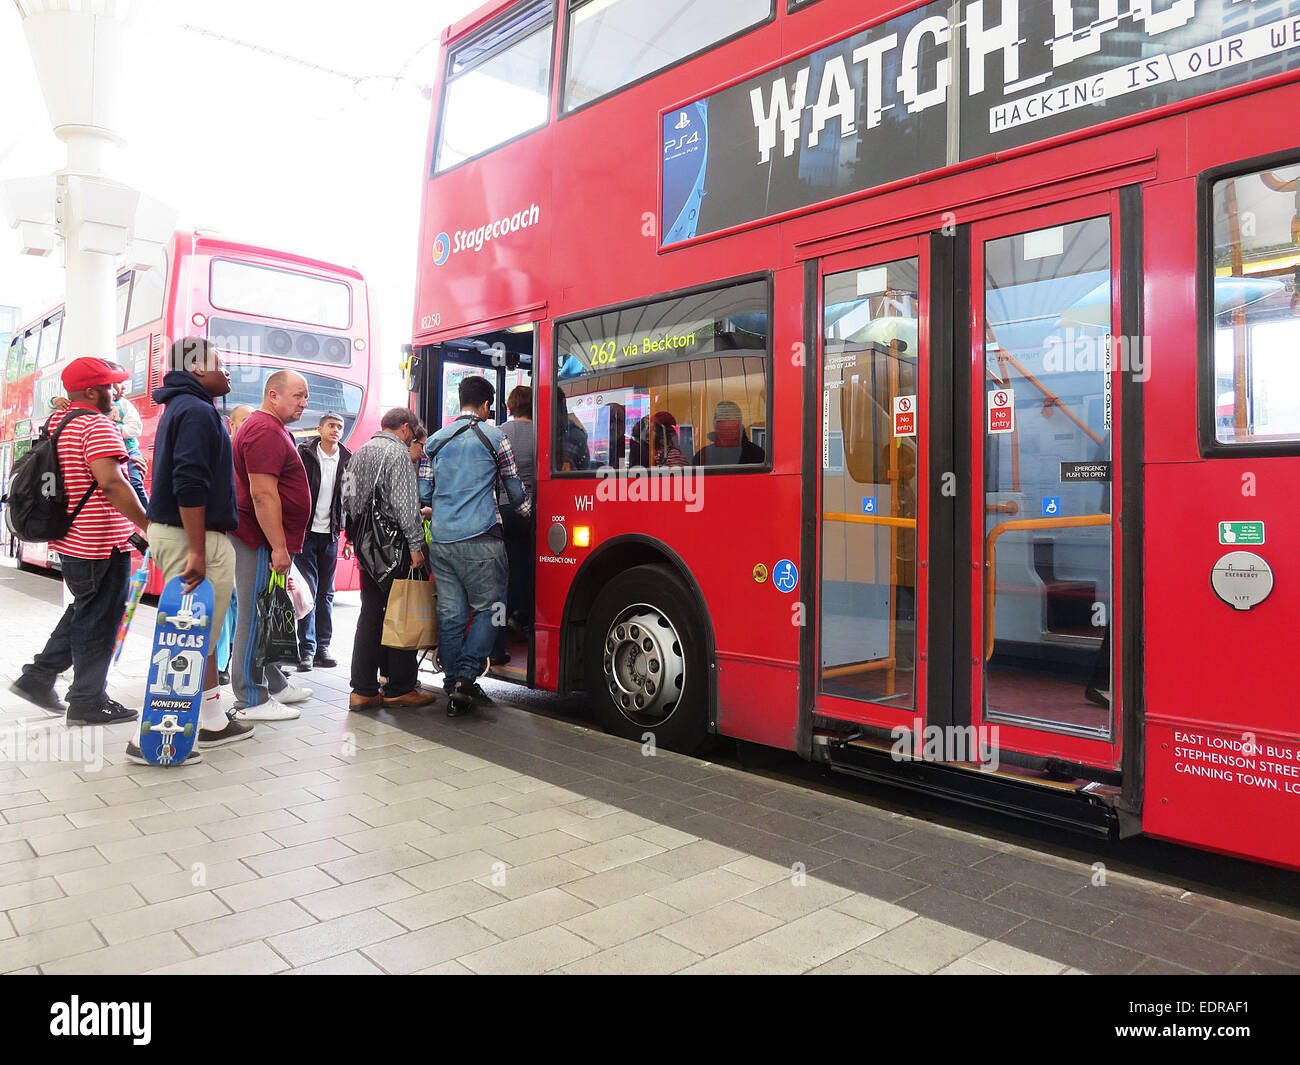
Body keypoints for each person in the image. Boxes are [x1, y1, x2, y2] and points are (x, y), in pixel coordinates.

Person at [124, 338, 252, 764]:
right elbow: (189, 481)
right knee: (186, 638)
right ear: (196, 366)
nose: (228, 371)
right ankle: (146, 735)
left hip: (182, 533)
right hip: (192, 537)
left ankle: (212, 719)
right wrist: (197, 549)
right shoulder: (196, 411)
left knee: (200, 632)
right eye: (220, 363)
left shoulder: (182, 407)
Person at [9, 357, 148, 725]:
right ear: (91, 391)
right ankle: (87, 701)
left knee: (85, 611)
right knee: (98, 622)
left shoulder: (59, 421)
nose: (117, 391)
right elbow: (111, 483)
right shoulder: (96, 425)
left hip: (72, 540)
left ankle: (37, 677)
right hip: (99, 544)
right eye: (111, 386)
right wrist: (148, 524)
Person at [425, 376, 531, 716]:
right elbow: (515, 492)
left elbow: (425, 495)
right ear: (486, 406)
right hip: (482, 539)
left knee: (452, 614)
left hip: (442, 541)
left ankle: (453, 683)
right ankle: (467, 678)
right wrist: (529, 515)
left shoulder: (435, 442)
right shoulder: (494, 437)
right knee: (491, 609)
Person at [229, 371, 314, 721]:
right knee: (254, 614)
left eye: (305, 396)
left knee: (269, 612)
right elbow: (262, 493)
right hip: (260, 539)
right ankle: (251, 697)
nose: (304, 403)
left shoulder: (271, 428)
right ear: (273, 395)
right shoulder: (264, 430)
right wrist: (278, 546)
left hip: (265, 538)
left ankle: (273, 682)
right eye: (298, 396)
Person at [342, 407, 434, 711]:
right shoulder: (396, 454)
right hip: (393, 547)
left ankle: (363, 689)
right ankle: (400, 687)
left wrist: (355, 539)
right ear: (406, 428)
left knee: (370, 612)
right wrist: (416, 546)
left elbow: (348, 499)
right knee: (401, 609)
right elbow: (407, 507)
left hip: (367, 547)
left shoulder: (360, 452)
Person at [294, 411, 352, 671]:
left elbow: (350, 501)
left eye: (339, 427)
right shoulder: (304, 454)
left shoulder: (348, 459)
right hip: (305, 533)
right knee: (307, 591)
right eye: (331, 425)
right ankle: (306, 650)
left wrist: (349, 536)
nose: (336, 430)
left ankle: (323, 648)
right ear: (319, 429)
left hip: (330, 535)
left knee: (326, 593)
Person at [491, 385, 535, 665]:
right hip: (531, 509)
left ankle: (504, 621)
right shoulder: (543, 434)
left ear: (510, 405)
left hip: (501, 509)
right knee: (528, 565)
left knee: (504, 568)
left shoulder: (497, 433)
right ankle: (524, 616)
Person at [214, 404, 253, 686]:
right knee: (227, 602)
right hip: (224, 536)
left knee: (242, 604)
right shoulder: (223, 450)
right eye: (243, 421)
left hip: (248, 537)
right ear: (231, 424)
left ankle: (236, 660)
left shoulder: (253, 452)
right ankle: (220, 663)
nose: (249, 426)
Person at [693, 399, 765, 465]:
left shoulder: (757, 454)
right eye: (721, 418)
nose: (726, 423)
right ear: (714, 424)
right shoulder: (702, 457)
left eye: (731, 418)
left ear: (739, 423)